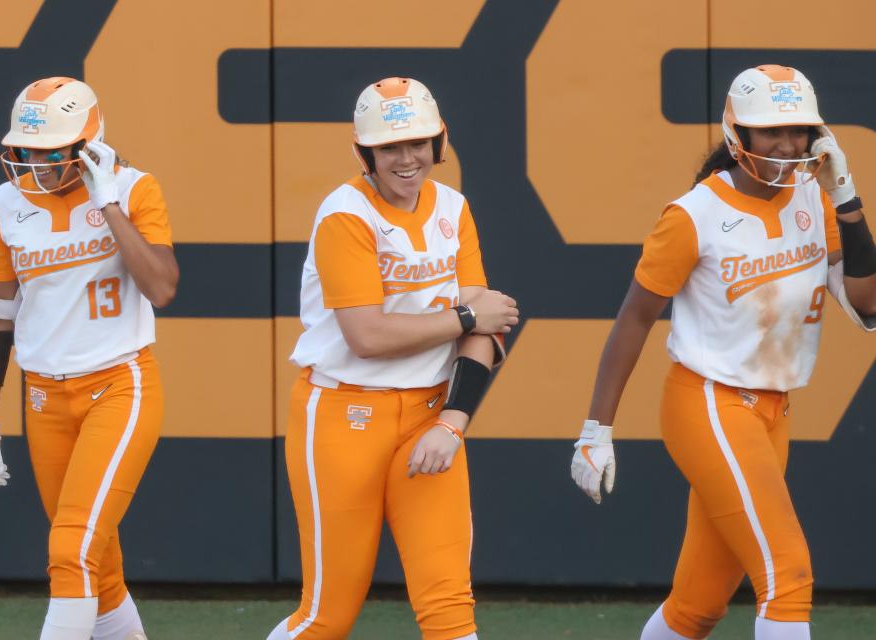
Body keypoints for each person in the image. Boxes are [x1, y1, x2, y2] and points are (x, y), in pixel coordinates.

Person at [570, 64, 876, 640]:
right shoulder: (695, 214)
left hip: (771, 412)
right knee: (787, 576)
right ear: (737, 134)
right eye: (771, 131)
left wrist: (847, 198)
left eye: (799, 131)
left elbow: (867, 303)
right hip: (708, 403)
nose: (788, 145)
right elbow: (634, 319)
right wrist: (596, 428)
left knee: (698, 605)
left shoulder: (815, 194)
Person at [266, 77, 519, 640]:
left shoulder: (453, 205)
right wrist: (466, 317)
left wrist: (454, 422)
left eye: (417, 143)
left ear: (439, 142)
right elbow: (368, 337)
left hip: (430, 416)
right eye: (389, 147)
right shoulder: (345, 215)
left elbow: (489, 325)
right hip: (341, 415)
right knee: (327, 616)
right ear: (364, 154)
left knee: (450, 605)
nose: (406, 158)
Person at [0, 76, 178, 640]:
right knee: (99, 567)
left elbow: (162, 288)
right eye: (25, 150)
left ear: (88, 144)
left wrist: (108, 202)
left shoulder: (133, 189)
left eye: (49, 151)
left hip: (119, 383)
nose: (32, 164)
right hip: (42, 397)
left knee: (71, 548)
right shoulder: (4, 203)